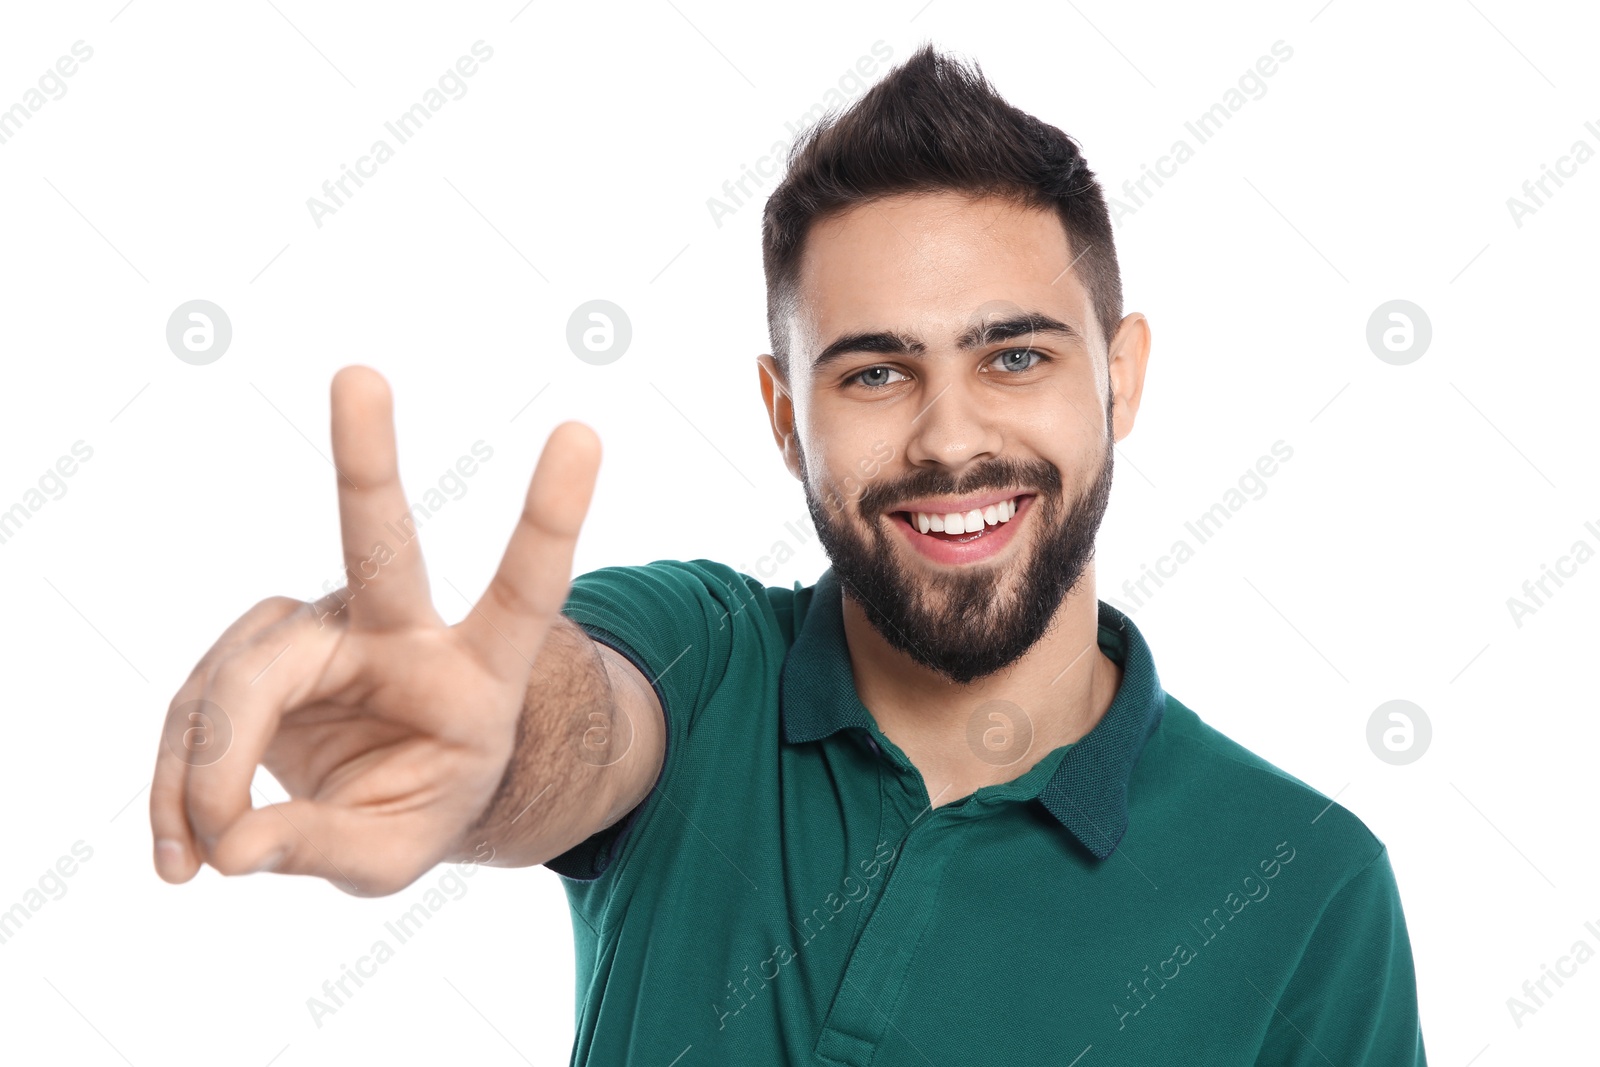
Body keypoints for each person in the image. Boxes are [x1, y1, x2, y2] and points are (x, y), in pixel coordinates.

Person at [150, 44, 1427, 1065]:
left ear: (1120, 376)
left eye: (1016, 355)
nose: (948, 438)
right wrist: (455, 735)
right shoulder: (707, 661)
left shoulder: (1305, 885)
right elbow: (568, 718)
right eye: (875, 370)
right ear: (783, 417)